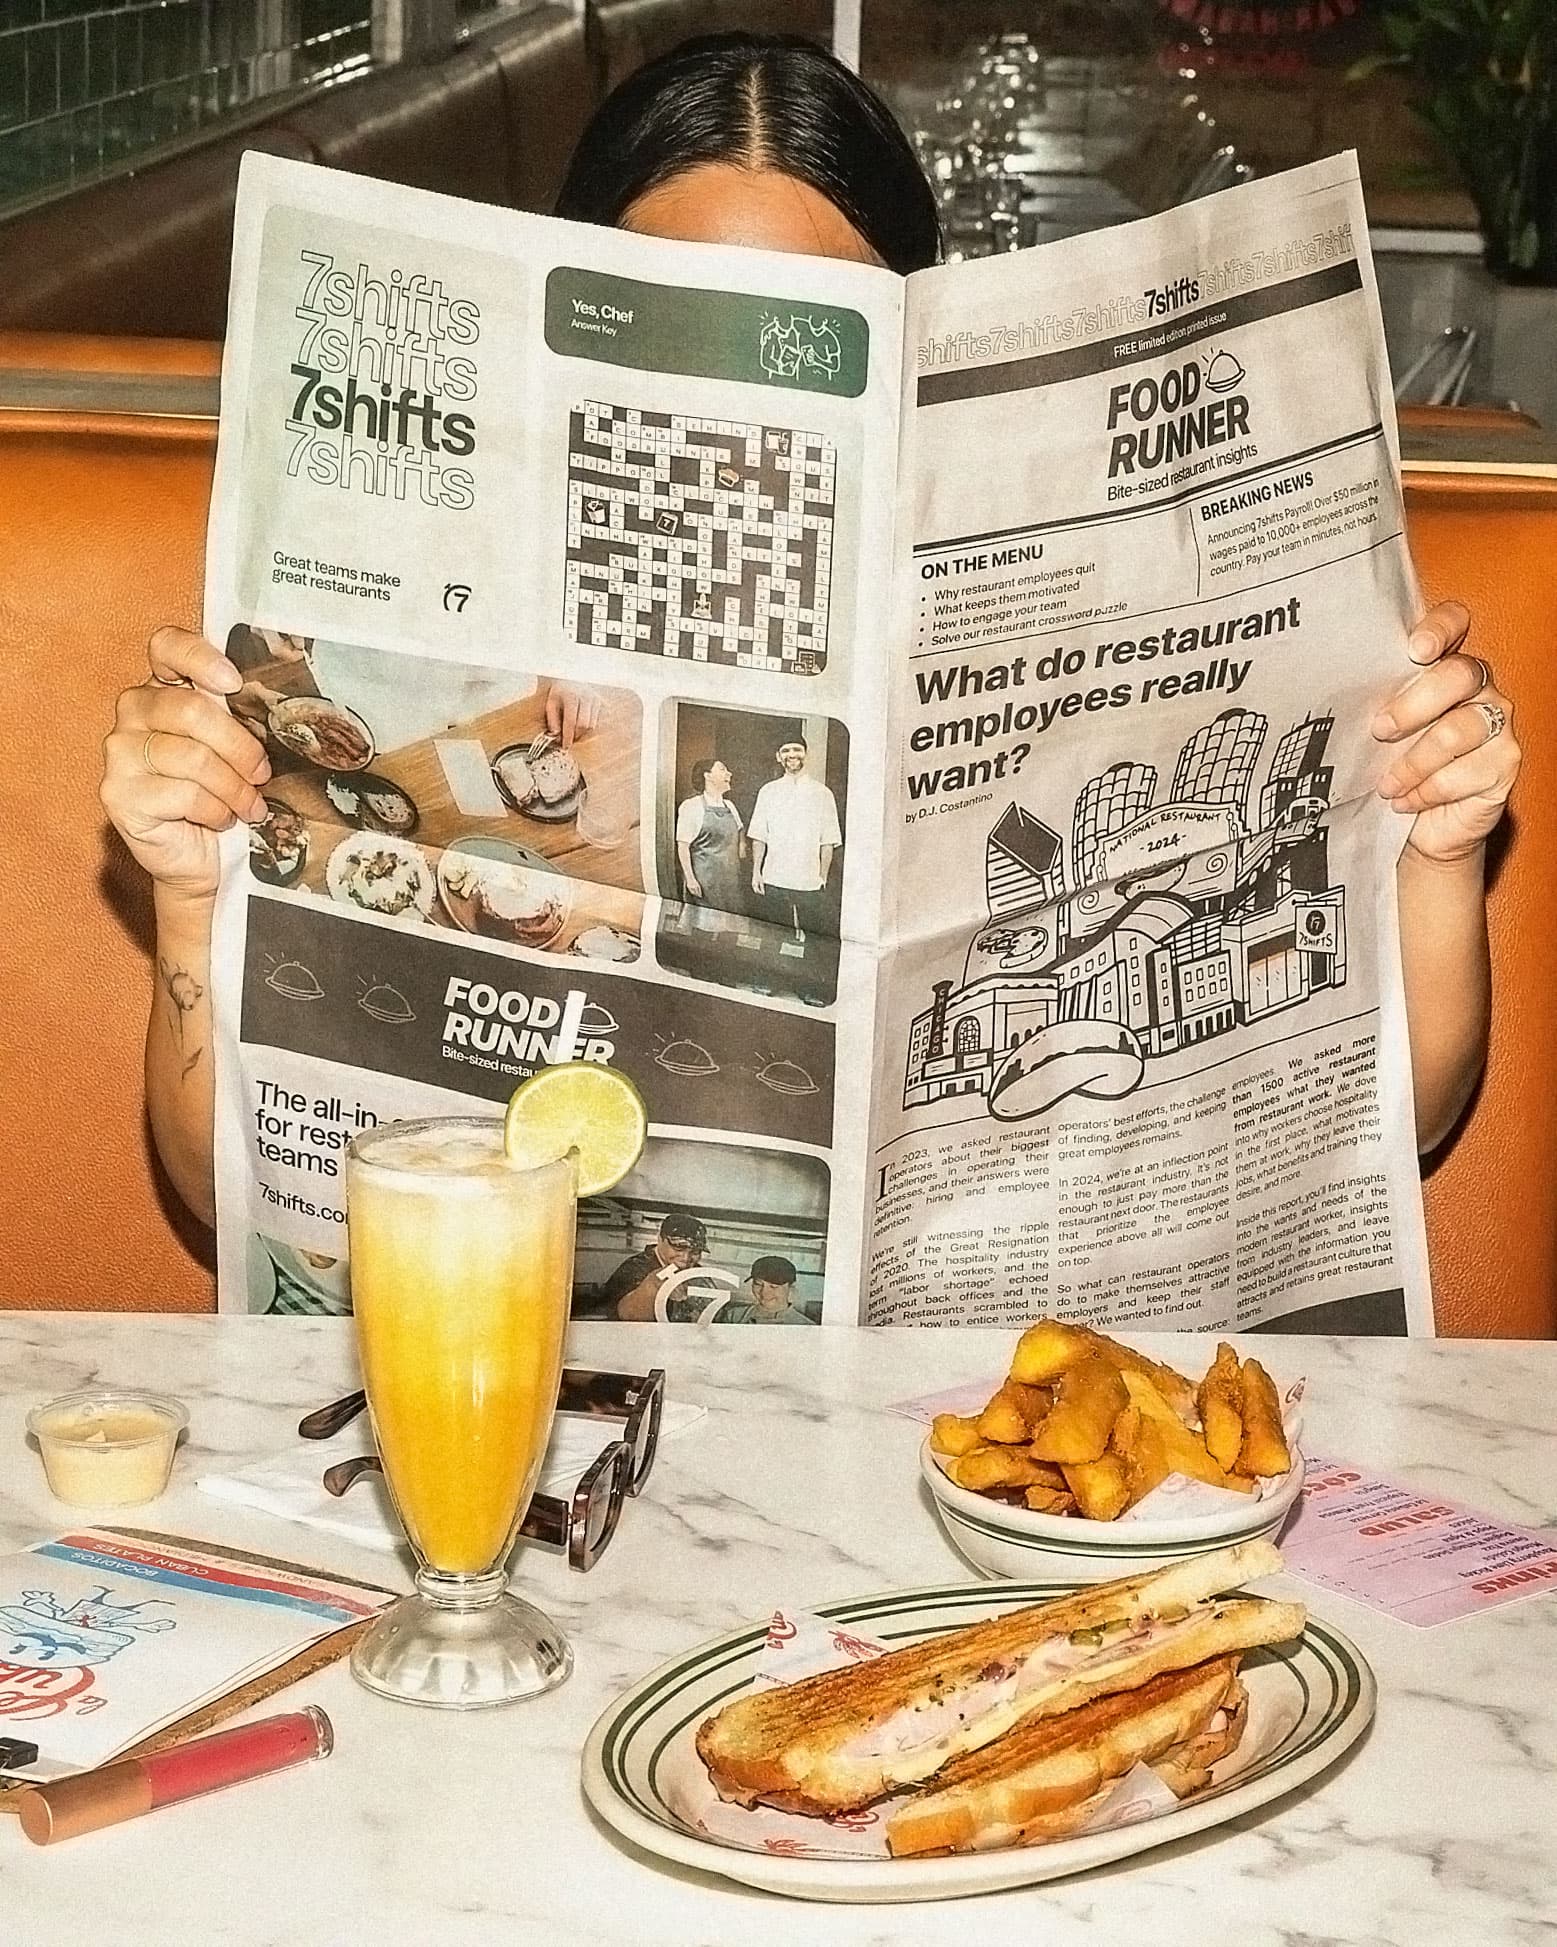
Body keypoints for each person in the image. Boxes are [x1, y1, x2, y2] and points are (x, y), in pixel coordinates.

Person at [100, 32, 1521, 1231]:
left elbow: (1402, 1118)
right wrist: (188, 881)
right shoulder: (426, 625)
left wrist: (1435, 847)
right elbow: (224, 1186)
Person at [748, 734, 843, 1004]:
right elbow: (759, 836)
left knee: (813, 940)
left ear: (806, 754)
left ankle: (809, 989)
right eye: (786, 750)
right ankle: (768, 981)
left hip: (809, 880)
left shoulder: (822, 794)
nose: (792, 755)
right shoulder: (768, 791)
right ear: (779, 756)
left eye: (797, 749)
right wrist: (757, 871)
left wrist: (822, 875)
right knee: (773, 935)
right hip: (774, 876)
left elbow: (828, 840)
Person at [594, 1211, 710, 1322]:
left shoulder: (699, 1274)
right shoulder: (634, 1267)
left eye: (695, 1252)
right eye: (678, 1248)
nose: (686, 1258)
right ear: (660, 1239)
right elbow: (624, 1315)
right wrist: (652, 1286)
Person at [675, 757, 746, 925]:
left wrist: (742, 846)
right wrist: (690, 879)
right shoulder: (691, 806)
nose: (729, 774)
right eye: (722, 769)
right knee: (706, 928)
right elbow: (683, 845)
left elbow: (740, 830)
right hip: (704, 881)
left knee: (731, 929)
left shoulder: (730, 806)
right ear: (707, 775)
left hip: (730, 880)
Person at [720, 1255, 817, 1326]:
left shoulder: (806, 1326)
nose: (764, 1293)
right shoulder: (734, 1316)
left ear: (791, 1288)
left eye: (774, 1287)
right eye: (758, 1284)